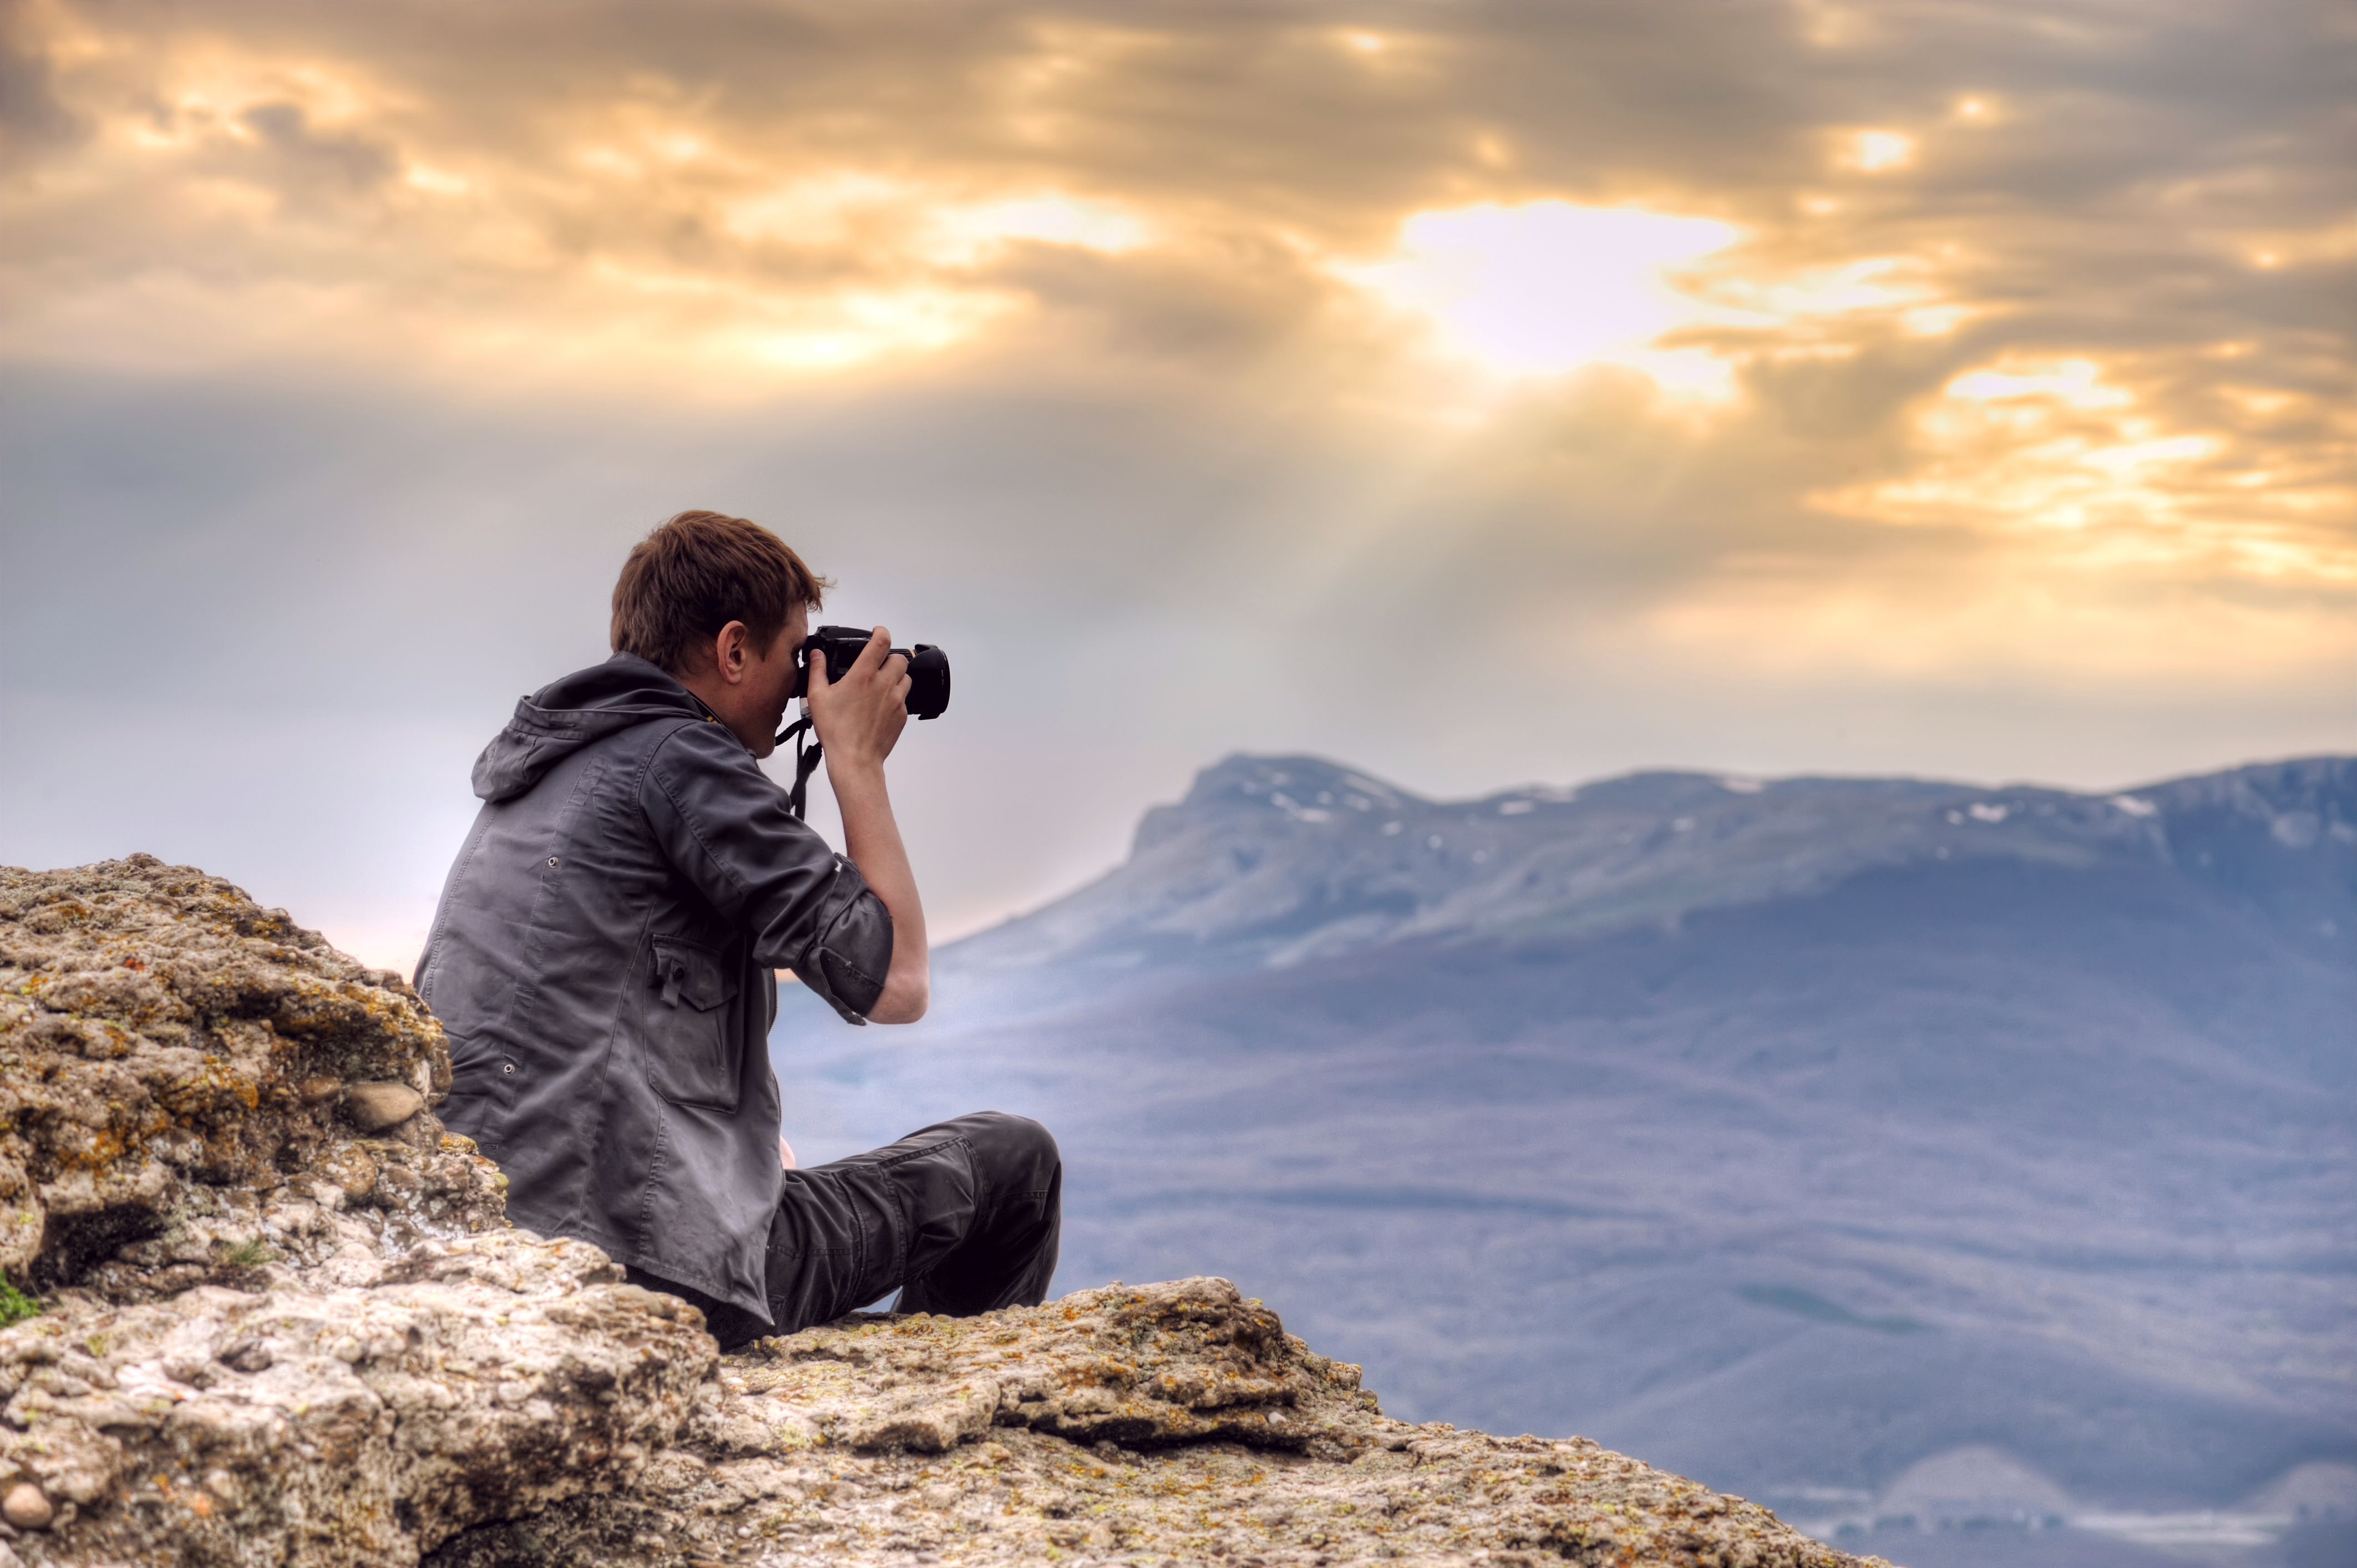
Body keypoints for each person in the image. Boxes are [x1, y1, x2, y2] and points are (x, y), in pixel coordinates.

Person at [414, 509, 1060, 1348]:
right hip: (641, 1267)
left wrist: (744, 1155)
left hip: (500, 1246)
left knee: (796, 1198)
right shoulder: (681, 762)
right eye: (797, 655)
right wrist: (856, 762)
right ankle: (942, 1411)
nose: (805, 681)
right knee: (1013, 1163)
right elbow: (899, 981)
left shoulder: (545, 771)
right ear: (731, 651)